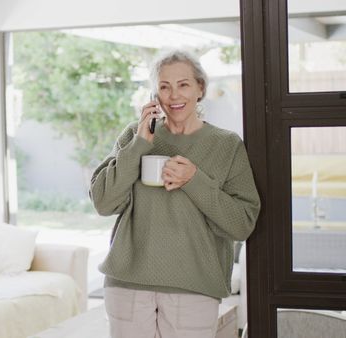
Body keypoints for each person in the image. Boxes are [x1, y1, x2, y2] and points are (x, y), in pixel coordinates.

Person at [89, 50, 261, 338]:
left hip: (193, 288)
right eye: (164, 86)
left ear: (200, 89)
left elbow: (241, 224)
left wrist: (194, 180)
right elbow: (103, 202)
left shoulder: (226, 145)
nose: (173, 95)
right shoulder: (136, 135)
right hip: (127, 285)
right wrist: (140, 145)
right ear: (155, 93)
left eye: (183, 84)